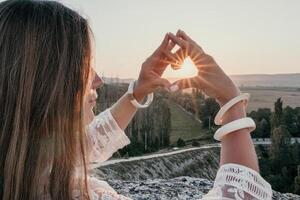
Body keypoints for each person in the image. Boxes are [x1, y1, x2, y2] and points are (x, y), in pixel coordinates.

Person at [0, 1, 272, 200]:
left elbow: (82, 145)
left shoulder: (21, 166)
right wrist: (233, 104)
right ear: (49, 84)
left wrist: (136, 93)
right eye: (85, 66)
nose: (98, 80)